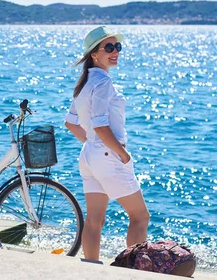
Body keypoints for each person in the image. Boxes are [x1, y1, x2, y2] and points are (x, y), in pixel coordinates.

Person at [64, 26, 150, 262]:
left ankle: (91, 270)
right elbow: (101, 126)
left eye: (118, 47)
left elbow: (71, 123)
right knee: (140, 217)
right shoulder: (103, 83)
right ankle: (134, 272)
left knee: (94, 221)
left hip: (90, 156)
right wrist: (122, 154)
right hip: (106, 155)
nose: (115, 52)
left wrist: (93, 144)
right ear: (94, 54)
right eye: (109, 47)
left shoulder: (84, 83)